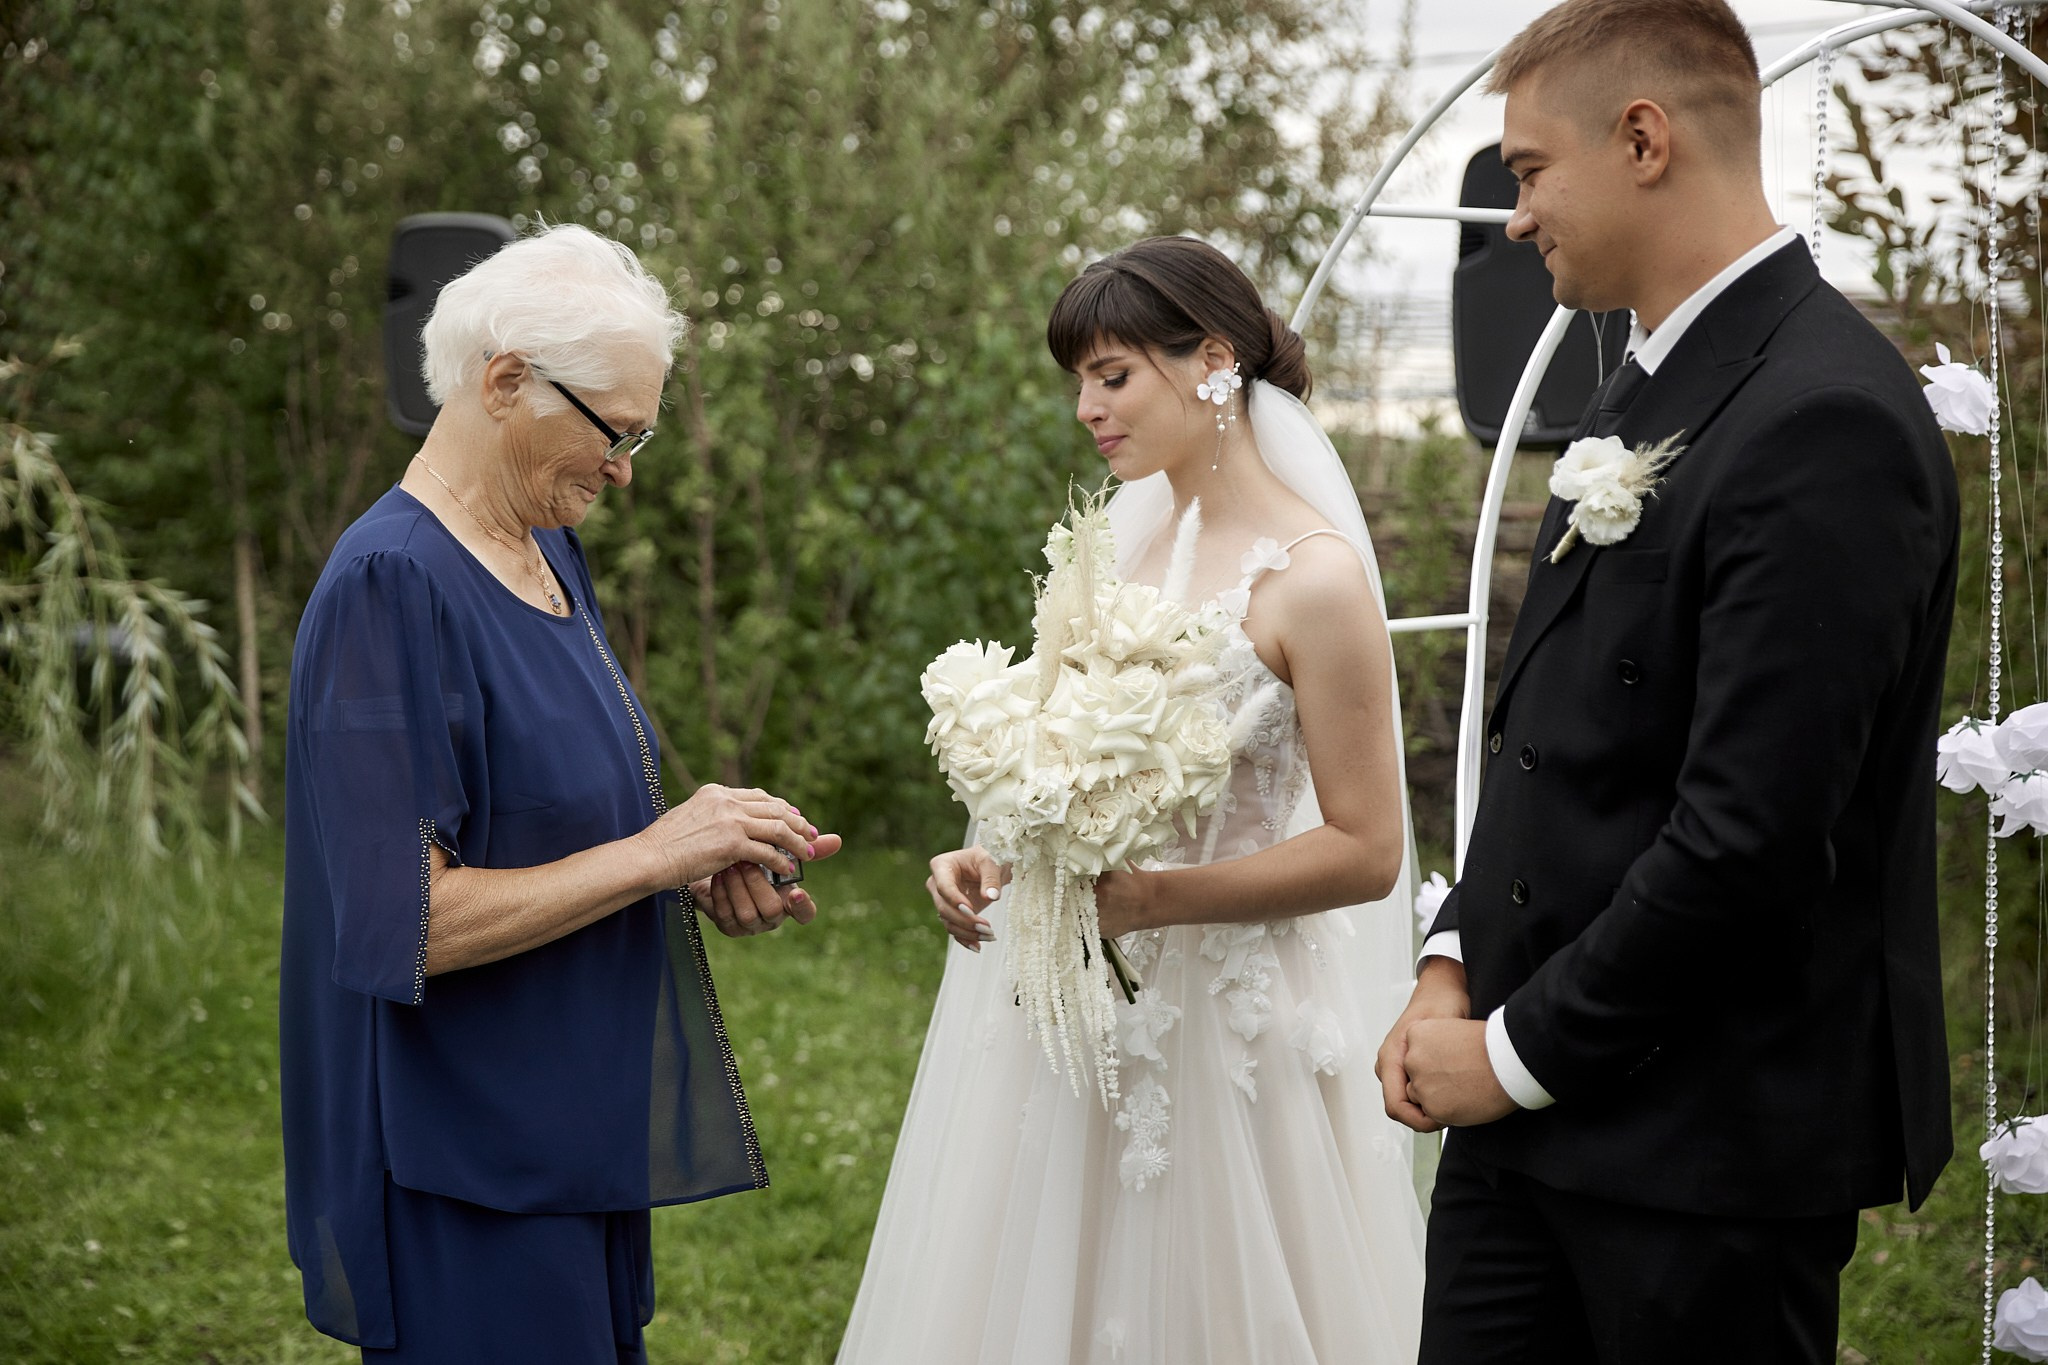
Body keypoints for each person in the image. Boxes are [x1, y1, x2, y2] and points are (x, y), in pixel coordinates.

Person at [1375, 2, 1957, 1360]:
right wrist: (1455, 961)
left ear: (1643, 140)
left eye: (1527, 171)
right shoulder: (1647, 384)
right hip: (1524, 1131)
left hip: (1701, 1161)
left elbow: (1747, 840)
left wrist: (1510, 1056)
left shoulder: (1827, 419)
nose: (1515, 220)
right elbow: (1558, 747)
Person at [837, 235, 1426, 1364]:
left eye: (1110, 376)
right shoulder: (1108, 551)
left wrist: (1155, 899)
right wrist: (998, 854)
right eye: (1079, 382)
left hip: (1226, 1024)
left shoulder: (1314, 581)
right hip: (1069, 1017)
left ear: (1211, 362)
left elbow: (1365, 849)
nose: (1085, 410)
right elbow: (1077, 775)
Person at [279, 223, 840, 1364]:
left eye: (641, 433)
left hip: (568, 1120)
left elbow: (552, 818)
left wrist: (694, 861)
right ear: (502, 384)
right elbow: (411, 922)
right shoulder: (391, 585)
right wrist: (655, 853)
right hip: (461, 1158)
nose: (627, 466)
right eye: (615, 431)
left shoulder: (545, 549)